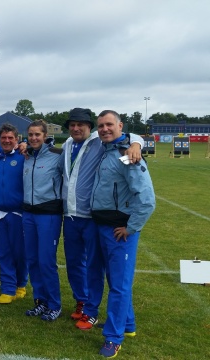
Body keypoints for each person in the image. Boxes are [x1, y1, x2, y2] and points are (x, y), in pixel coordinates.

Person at [60, 108, 144, 325]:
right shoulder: (67, 145)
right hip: (70, 215)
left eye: (81, 125)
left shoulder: (100, 141)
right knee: (74, 263)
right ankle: (82, 300)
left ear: (90, 127)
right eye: (72, 124)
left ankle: (91, 309)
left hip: (92, 217)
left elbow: (125, 135)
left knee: (95, 267)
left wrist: (136, 144)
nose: (76, 128)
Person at [91, 110, 155, 358]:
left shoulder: (128, 156)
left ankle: (113, 337)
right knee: (114, 281)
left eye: (109, 125)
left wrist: (131, 227)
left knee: (119, 285)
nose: (104, 129)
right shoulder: (104, 150)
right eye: (101, 126)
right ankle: (127, 325)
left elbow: (147, 200)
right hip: (101, 227)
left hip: (120, 232)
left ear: (120, 126)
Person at [22, 120, 63, 321]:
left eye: (38, 134)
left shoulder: (58, 155)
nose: (34, 138)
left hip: (49, 215)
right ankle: (41, 301)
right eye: (31, 134)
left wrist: (135, 142)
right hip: (28, 214)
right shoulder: (27, 156)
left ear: (45, 136)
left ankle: (54, 304)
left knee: (46, 261)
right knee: (33, 260)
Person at [0, 123, 28, 304]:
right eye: (3, 138)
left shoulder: (24, 156)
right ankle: (8, 288)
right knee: (3, 252)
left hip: (18, 212)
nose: (6, 141)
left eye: (10, 138)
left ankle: (21, 284)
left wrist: (26, 146)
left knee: (19, 252)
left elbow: (46, 146)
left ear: (17, 139)